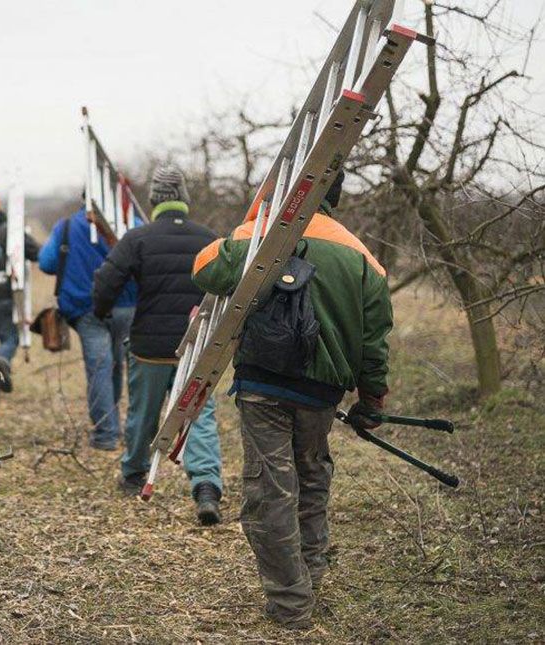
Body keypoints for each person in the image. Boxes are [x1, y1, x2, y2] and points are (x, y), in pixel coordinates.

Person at [191, 171, 393, 629]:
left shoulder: (265, 236)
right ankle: (309, 578)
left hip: (264, 387)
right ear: (336, 197)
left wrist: (252, 221)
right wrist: (372, 401)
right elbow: (374, 343)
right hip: (321, 395)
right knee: (311, 480)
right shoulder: (363, 257)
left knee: (271, 491)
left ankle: (290, 603)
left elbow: (204, 266)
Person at [92, 166, 224, 525]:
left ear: (153, 201)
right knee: (198, 415)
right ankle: (206, 486)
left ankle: (135, 473)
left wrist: (102, 312)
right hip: (196, 346)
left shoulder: (138, 238)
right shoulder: (209, 239)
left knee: (143, 413)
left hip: (149, 345)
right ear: (184, 199)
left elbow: (106, 281)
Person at [39, 196, 137, 451]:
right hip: (127, 305)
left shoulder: (66, 226)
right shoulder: (131, 222)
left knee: (99, 368)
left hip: (86, 308)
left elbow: (46, 263)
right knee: (116, 364)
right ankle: (120, 428)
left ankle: (106, 434)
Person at [0, 193, 41, 397]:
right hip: (5, 294)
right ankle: (3, 358)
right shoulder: (10, 230)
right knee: (10, 338)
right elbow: (36, 252)